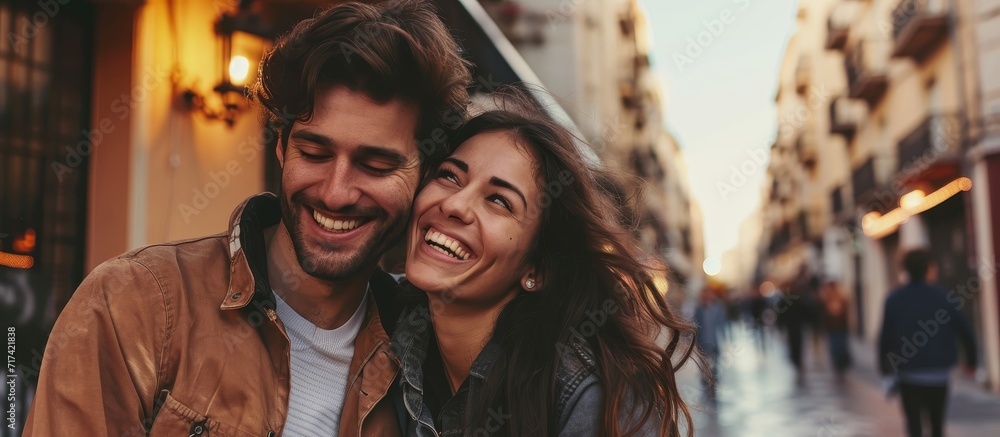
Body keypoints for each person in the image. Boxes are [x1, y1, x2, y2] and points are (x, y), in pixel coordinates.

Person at [24, 1, 471, 435]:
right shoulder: (133, 303)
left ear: (426, 174)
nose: (335, 193)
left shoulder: (428, 352)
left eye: (376, 166)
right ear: (281, 147)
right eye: (314, 153)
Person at [390, 90, 701, 437]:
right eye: (450, 176)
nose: (455, 205)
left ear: (536, 270)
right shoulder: (382, 325)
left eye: (499, 201)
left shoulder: (588, 399)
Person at [878, 248, 978, 437]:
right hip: (938, 373)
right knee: (937, 424)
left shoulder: (894, 299)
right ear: (928, 269)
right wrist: (971, 362)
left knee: (913, 424)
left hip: (908, 373)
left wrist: (885, 369)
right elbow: (966, 331)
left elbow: (885, 337)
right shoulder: (944, 297)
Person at [694, 285, 727, 401]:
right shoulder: (698, 309)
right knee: (704, 368)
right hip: (702, 343)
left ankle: (713, 386)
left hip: (715, 343)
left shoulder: (717, 308)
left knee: (714, 367)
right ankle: (706, 385)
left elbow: (722, 324)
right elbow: (695, 326)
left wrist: (724, 338)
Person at [821, 280, 851, 377]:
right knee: (835, 347)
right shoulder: (826, 299)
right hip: (833, 328)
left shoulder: (841, 298)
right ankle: (838, 364)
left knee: (840, 346)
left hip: (840, 327)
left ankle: (841, 364)